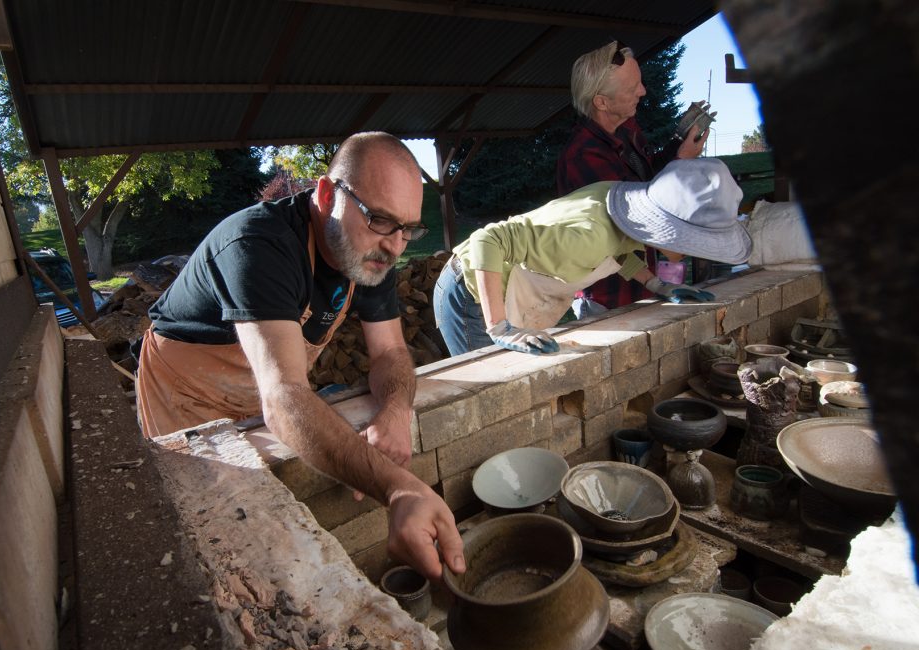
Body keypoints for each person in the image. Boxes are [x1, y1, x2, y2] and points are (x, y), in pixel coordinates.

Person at [135, 132, 465, 582]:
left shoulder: (375, 252)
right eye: (381, 220)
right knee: (205, 543)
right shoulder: (259, 245)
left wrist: (394, 409)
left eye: (409, 228)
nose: (396, 245)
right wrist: (398, 488)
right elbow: (285, 396)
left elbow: (389, 350)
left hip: (264, 390)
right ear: (327, 194)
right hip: (186, 396)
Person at [433, 158, 751, 356]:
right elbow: (486, 239)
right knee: (489, 388)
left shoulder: (623, 208)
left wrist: (658, 285)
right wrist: (499, 327)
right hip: (470, 293)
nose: (693, 254)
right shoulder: (587, 236)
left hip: (505, 288)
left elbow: (615, 253)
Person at [556, 39, 712, 315]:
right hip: (607, 296)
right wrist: (682, 163)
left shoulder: (627, 130)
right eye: (632, 88)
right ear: (601, 102)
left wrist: (679, 145)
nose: (643, 91)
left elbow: (649, 176)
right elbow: (628, 225)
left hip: (644, 285)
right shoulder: (583, 157)